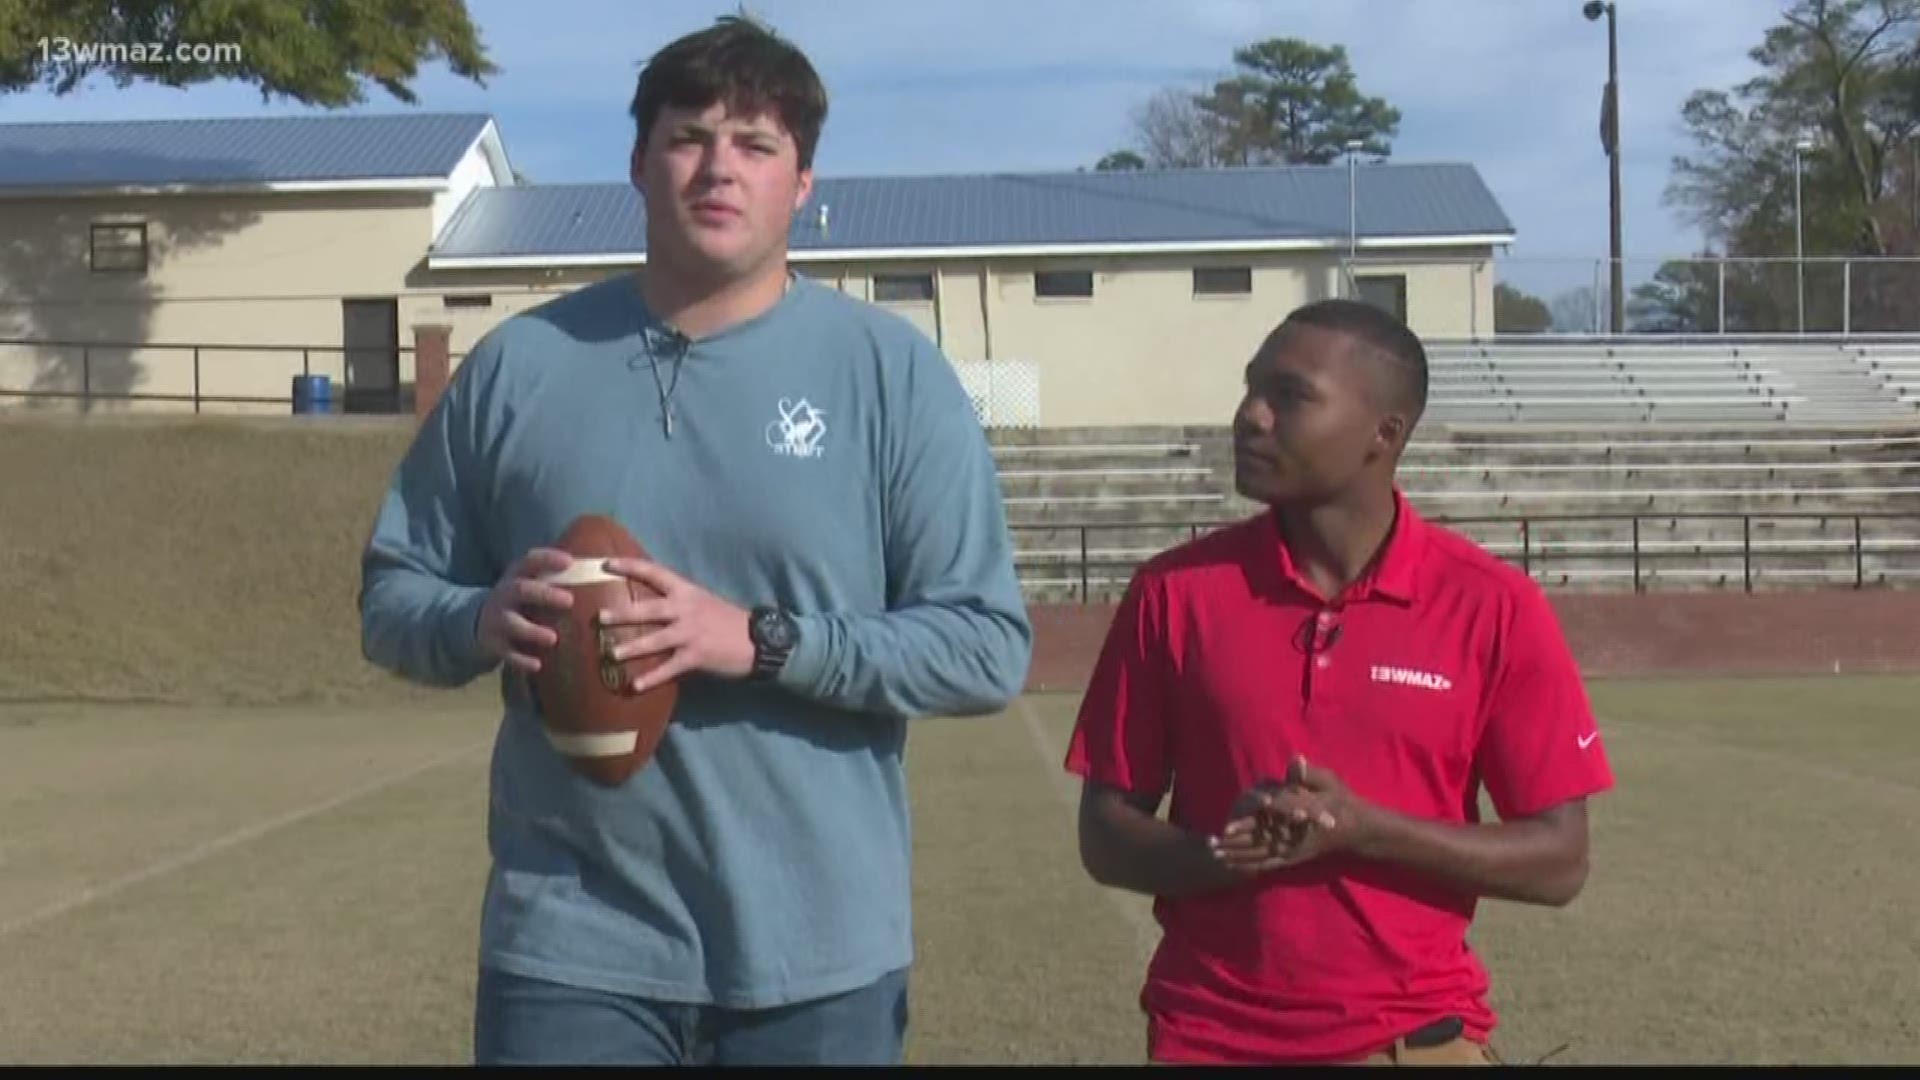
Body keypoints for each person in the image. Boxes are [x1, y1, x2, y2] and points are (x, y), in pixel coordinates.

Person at [357, 15, 1031, 1067]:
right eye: (690, 136)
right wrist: (479, 618)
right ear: (637, 162)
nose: (720, 167)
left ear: (802, 183)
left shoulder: (891, 377)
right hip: (570, 945)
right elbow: (392, 599)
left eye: (757, 145)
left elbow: (985, 646)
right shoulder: (518, 367)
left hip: (817, 957)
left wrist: (757, 640)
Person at [1062, 299, 1614, 1066]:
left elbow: (1560, 864)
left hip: (1416, 1042)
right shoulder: (1173, 594)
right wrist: (1229, 852)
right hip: (1209, 1041)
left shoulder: (1493, 607)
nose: (1250, 416)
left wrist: (1365, 830)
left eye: (1289, 395)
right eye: (1252, 388)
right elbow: (1104, 835)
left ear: (1383, 434)